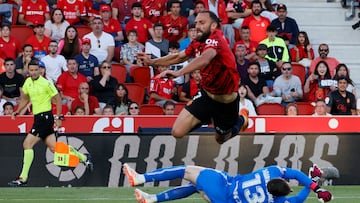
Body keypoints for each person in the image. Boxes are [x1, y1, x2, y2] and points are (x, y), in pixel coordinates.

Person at [137, 10, 248, 144]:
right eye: (196, 23)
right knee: (177, 132)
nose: (197, 26)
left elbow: (204, 59)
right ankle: (206, 117)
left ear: (213, 26)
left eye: (202, 23)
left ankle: (241, 119)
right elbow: (179, 56)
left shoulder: (216, 39)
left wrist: (179, 73)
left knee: (221, 139)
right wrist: (153, 62)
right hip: (206, 95)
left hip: (226, 102)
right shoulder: (198, 41)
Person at [8, 59, 92, 187]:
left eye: (36, 70)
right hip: (38, 118)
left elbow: (58, 99)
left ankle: (23, 177)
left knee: (27, 144)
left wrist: (58, 117)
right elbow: (25, 98)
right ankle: (84, 157)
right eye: (31, 70)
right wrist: (17, 111)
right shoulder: (27, 83)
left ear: (41, 70)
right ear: (28, 71)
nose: (34, 72)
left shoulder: (46, 83)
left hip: (45, 118)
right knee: (54, 148)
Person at [123, 163, 333, 203]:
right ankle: (152, 198)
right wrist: (314, 184)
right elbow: (297, 199)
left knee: (187, 171)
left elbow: (295, 173)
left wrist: (316, 186)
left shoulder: (270, 172)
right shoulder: (276, 202)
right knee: (196, 187)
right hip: (227, 200)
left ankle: (141, 178)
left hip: (227, 188)